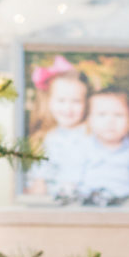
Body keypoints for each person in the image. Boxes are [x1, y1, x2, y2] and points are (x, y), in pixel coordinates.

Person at [25, 58, 90, 196]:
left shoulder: (90, 134)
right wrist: (38, 183)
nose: (68, 108)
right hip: (53, 204)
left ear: (86, 103)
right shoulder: (46, 137)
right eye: (61, 100)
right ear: (49, 101)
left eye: (76, 101)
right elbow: (39, 173)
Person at [77, 87, 129, 201]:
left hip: (124, 208)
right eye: (102, 114)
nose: (110, 121)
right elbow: (71, 180)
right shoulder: (82, 148)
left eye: (118, 115)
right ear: (89, 120)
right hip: (87, 208)